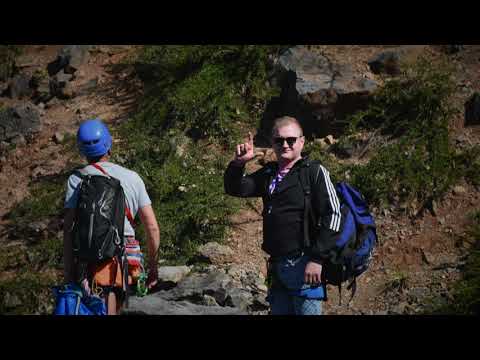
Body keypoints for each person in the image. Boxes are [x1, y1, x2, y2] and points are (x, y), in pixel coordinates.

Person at [224, 116, 341, 315]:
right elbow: (236, 188)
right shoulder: (270, 172)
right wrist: (238, 164)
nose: (285, 144)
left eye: (291, 140)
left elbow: (334, 214)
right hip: (276, 267)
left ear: (302, 142)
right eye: (279, 140)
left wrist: (318, 259)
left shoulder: (313, 172)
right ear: (272, 143)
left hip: (305, 266)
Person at [63, 119, 160, 315]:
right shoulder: (132, 177)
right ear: (109, 144)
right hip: (127, 257)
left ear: (81, 149)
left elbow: (68, 230)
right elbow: (152, 227)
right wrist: (153, 267)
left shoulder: (76, 179)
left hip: (90, 258)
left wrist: (68, 273)